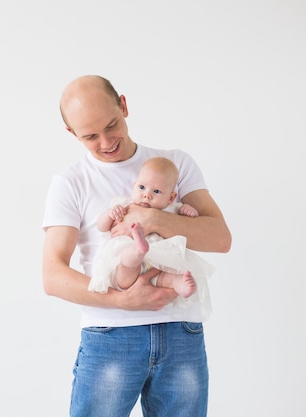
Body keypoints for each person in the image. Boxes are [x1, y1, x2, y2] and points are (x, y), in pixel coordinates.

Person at [41, 75, 231, 417]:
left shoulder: (174, 165)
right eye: (90, 136)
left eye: (111, 125)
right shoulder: (70, 183)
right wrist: (122, 299)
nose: (106, 141)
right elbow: (52, 276)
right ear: (71, 133)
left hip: (180, 331)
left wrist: (151, 219)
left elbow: (220, 238)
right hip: (110, 335)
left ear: (124, 106)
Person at [90, 156, 213, 304]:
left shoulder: (173, 210)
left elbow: (191, 224)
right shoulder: (123, 205)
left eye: (156, 191)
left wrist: (189, 210)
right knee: (126, 263)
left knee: (168, 277)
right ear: (134, 185)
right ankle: (138, 249)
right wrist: (110, 214)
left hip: (160, 264)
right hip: (128, 267)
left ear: (171, 198)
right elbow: (101, 227)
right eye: (142, 187)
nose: (147, 195)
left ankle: (180, 284)